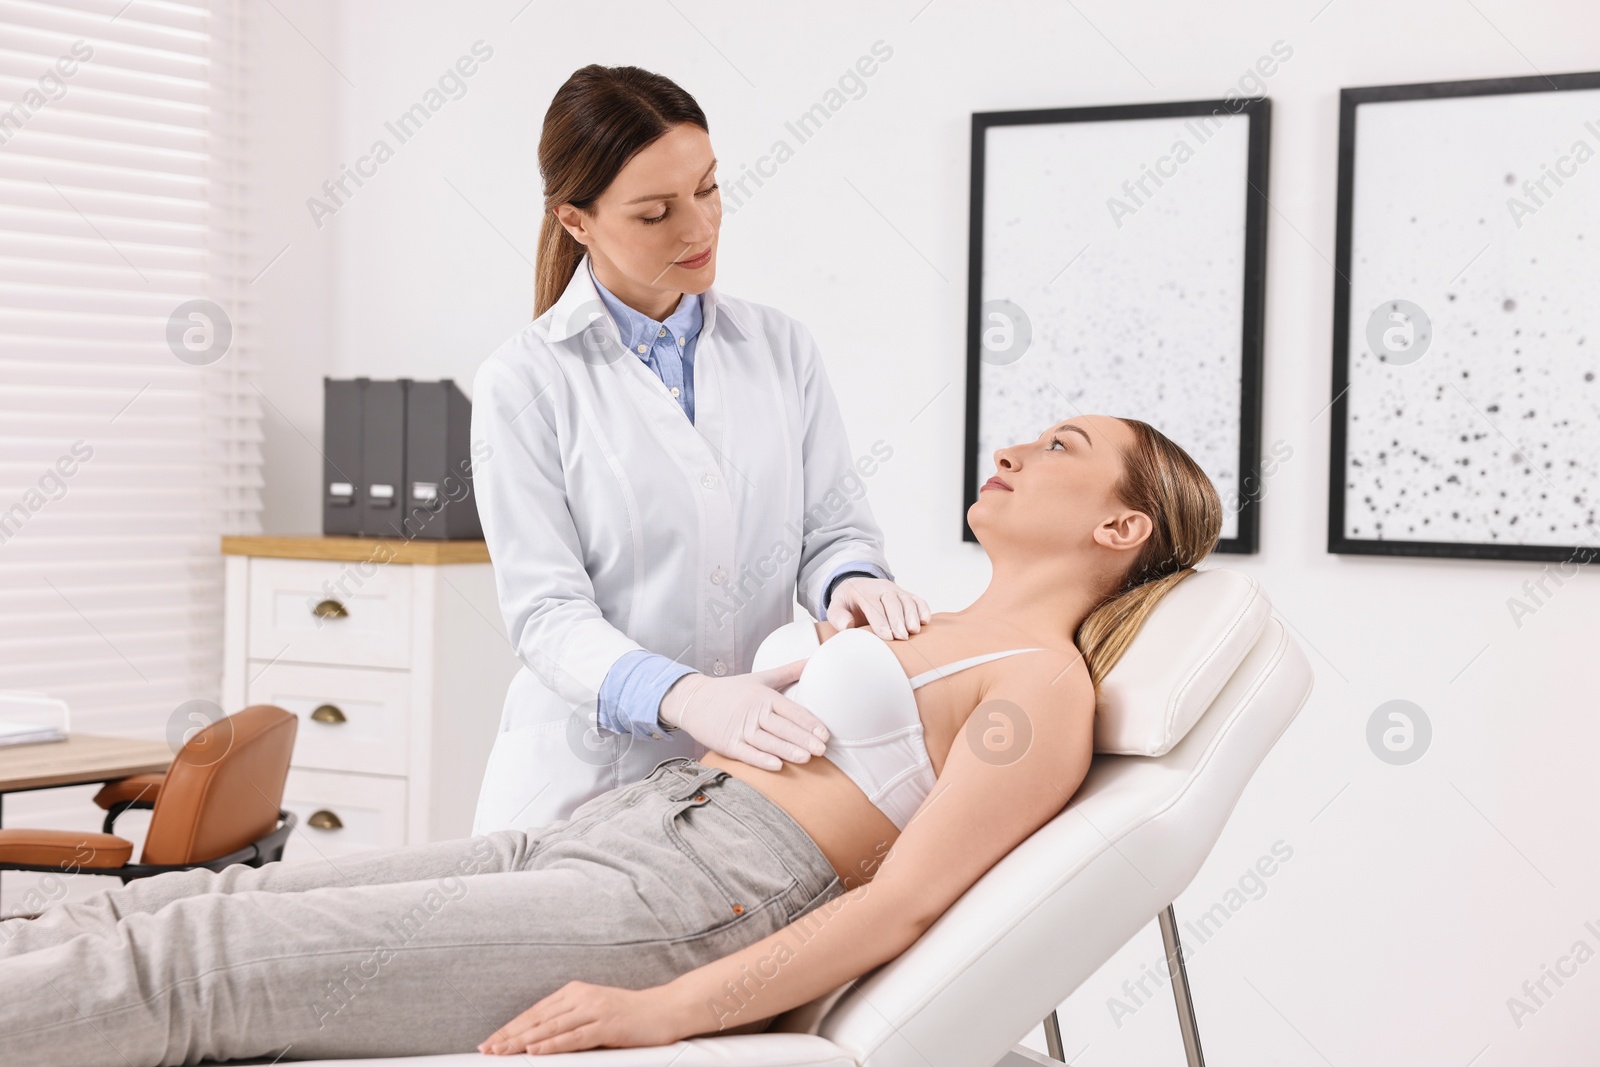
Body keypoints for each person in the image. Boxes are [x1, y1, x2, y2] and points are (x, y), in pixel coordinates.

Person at [0, 415, 1222, 1065]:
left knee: (201, 965)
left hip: (689, 900)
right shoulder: (931, 618)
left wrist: (671, 1010)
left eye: (1059, 446)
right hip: (607, 834)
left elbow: (901, 903)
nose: (1010, 447)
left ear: (1122, 522)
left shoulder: (1042, 688)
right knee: (162, 906)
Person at [470, 63, 933, 835]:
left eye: (708, 189)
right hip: (585, 782)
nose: (700, 228)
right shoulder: (525, 379)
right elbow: (547, 614)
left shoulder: (779, 348)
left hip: (749, 780)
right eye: (656, 212)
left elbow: (833, 531)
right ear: (576, 220)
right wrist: (686, 696)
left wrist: (849, 583)